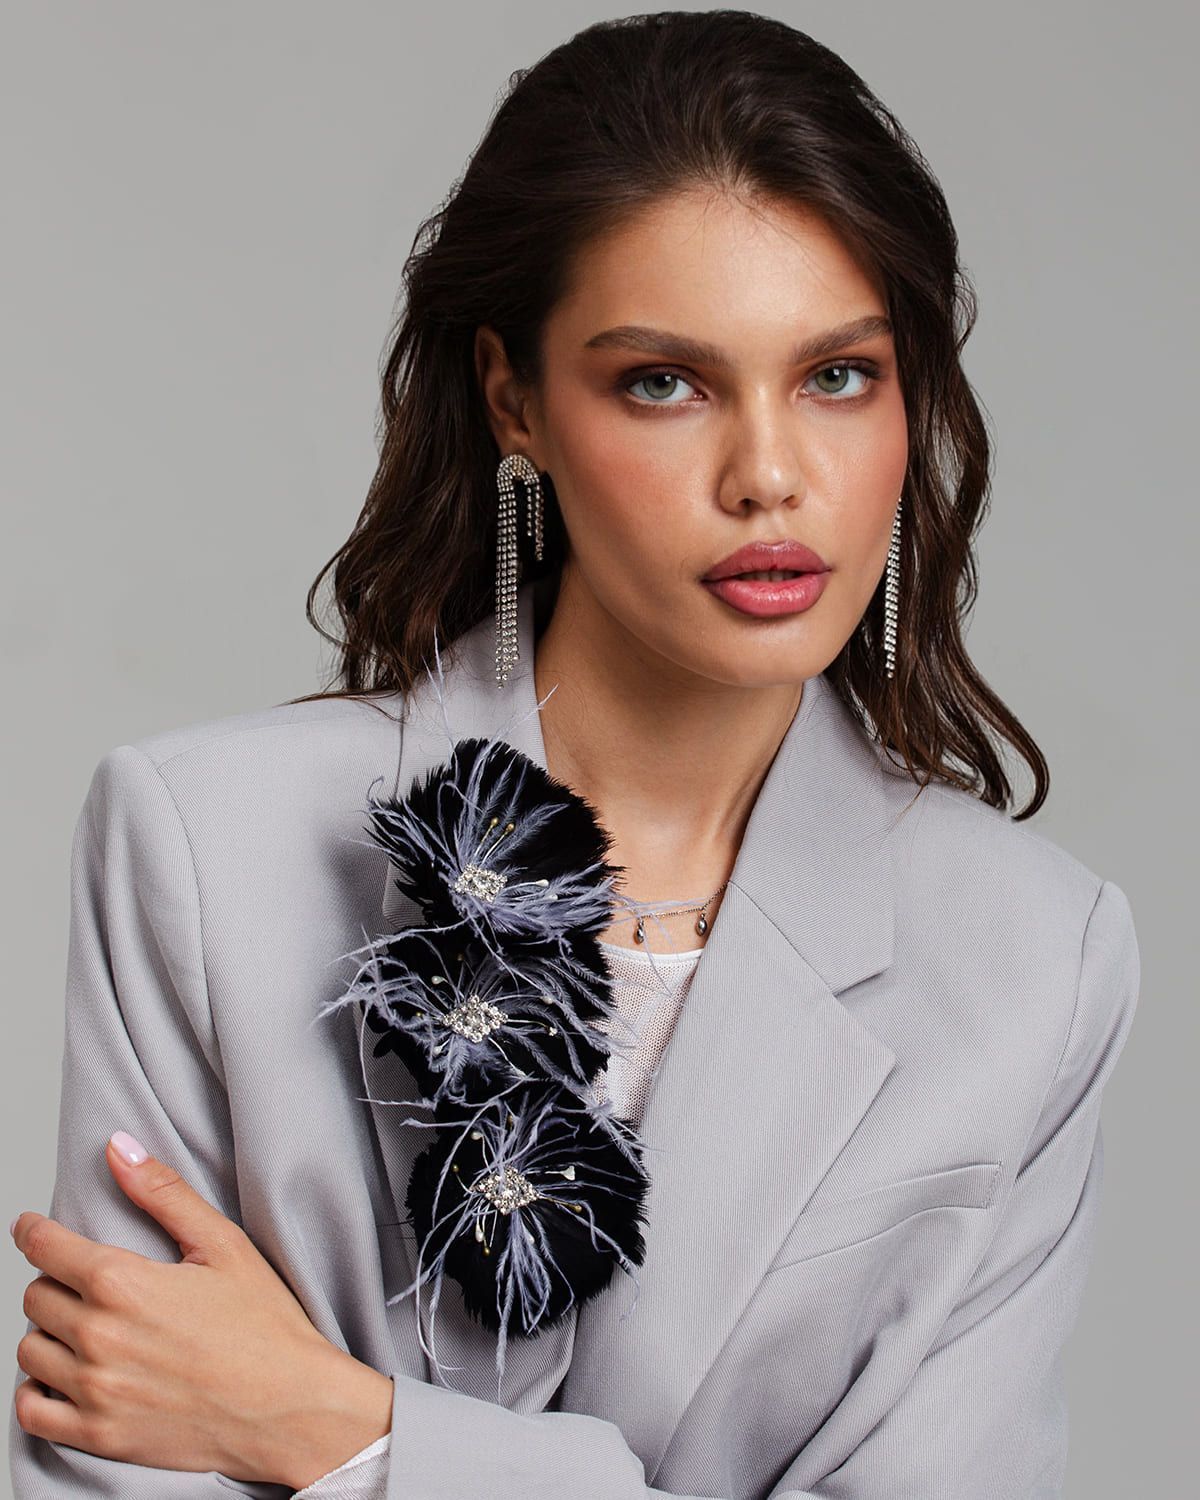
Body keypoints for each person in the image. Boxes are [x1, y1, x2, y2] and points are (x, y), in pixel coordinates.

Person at [8, 11, 1140, 1498]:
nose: (769, 476)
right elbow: (115, 1460)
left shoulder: (1034, 961)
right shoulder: (205, 848)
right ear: (515, 401)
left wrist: (348, 1436)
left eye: (838, 376)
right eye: (664, 382)